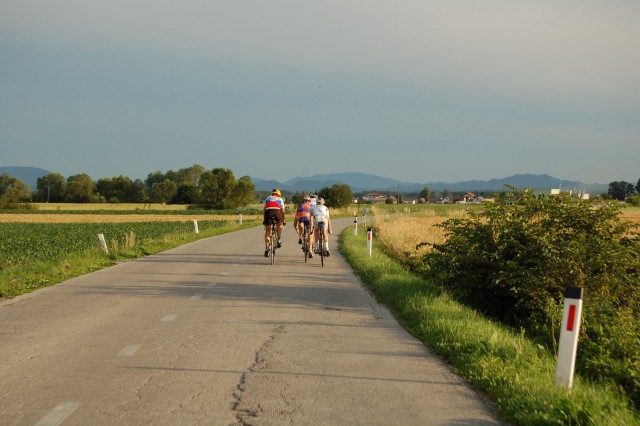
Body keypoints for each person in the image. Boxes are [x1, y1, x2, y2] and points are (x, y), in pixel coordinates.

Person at [263, 188, 286, 257]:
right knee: (279, 224)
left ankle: (267, 248)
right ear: (279, 194)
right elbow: (283, 211)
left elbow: (264, 209)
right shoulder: (280, 199)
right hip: (276, 211)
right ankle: (278, 239)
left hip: (268, 211)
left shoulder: (268, 198)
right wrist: (283, 220)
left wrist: (265, 221)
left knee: (267, 230)